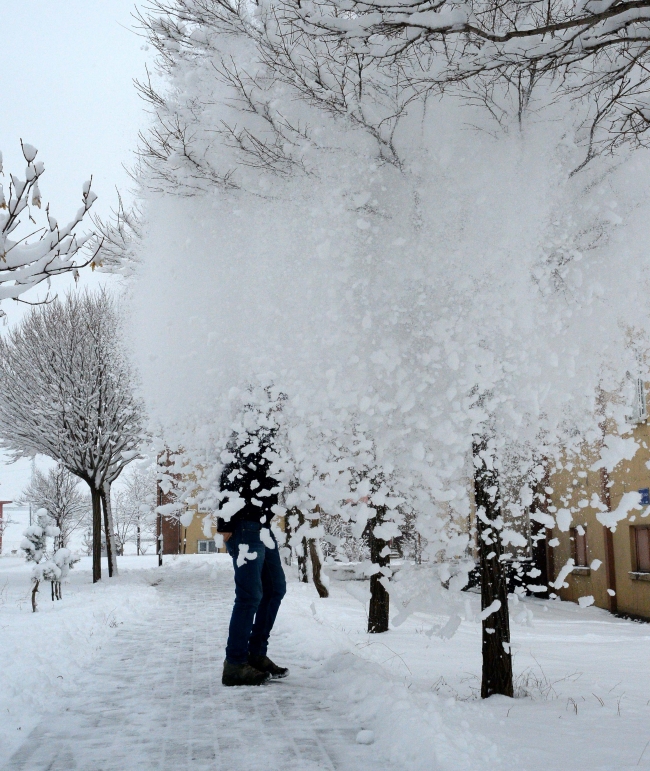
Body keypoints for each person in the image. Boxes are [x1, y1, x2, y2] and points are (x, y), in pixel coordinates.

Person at [217, 425, 288, 687]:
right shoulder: (241, 440)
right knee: (250, 596)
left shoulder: (270, 443)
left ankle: (256, 654)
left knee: (275, 589)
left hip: (263, 527)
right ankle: (235, 664)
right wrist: (224, 525)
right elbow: (227, 479)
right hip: (244, 527)